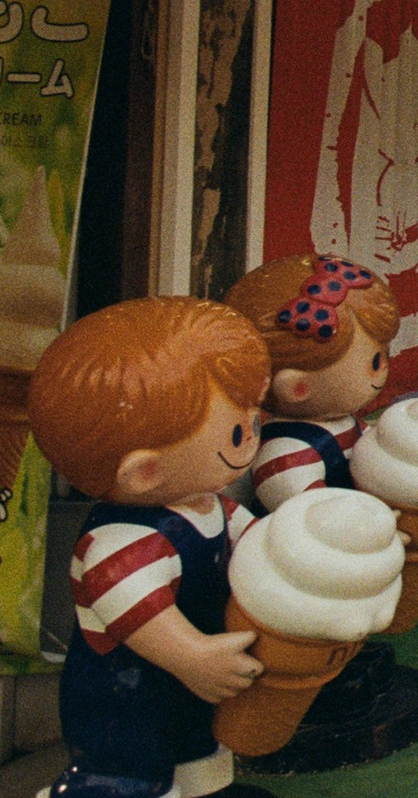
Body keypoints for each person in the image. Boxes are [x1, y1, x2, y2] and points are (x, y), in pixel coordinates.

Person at [32, 296, 273, 798]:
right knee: (131, 777)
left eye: (253, 418)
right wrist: (194, 657)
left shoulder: (213, 508)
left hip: (190, 691)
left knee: (200, 757)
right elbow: (143, 616)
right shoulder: (121, 544)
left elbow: (260, 544)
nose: (253, 434)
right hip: (125, 700)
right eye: (237, 429)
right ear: (145, 472)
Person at [222, 257, 398, 513]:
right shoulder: (286, 454)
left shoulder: (348, 424)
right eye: (373, 361)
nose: (383, 367)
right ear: (297, 388)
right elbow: (314, 515)